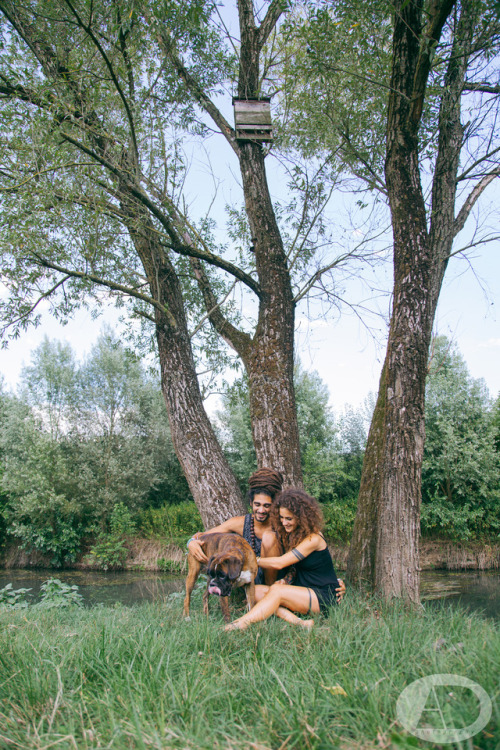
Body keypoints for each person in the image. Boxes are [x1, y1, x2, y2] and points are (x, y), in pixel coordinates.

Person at [224, 488, 343, 631]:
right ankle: (300, 623)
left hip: (322, 595)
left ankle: (239, 625)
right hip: (301, 591)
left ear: (301, 518)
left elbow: (280, 563)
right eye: (281, 518)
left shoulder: (314, 539)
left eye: (289, 519)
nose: (284, 522)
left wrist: (250, 560)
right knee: (255, 592)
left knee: (277, 591)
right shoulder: (293, 535)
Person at [186, 467, 285, 584]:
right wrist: (191, 542)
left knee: (269, 538)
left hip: (277, 580)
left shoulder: (283, 523)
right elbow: (202, 536)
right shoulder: (240, 523)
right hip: (252, 580)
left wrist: (286, 580)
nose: (261, 510)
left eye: (267, 505)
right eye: (257, 504)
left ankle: (270, 592)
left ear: (274, 504)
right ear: (251, 502)